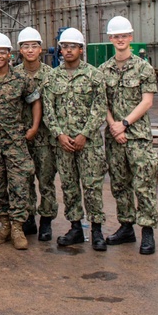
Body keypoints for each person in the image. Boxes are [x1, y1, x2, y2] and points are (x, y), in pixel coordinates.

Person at [43, 27, 108, 251]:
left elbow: (99, 108)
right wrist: (59, 134)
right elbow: (47, 109)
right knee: (69, 187)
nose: (68, 50)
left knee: (92, 186)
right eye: (64, 47)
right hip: (63, 144)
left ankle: (97, 229)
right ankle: (75, 228)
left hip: (88, 144)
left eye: (72, 47)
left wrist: (84, 134)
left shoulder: (94, 75)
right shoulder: (52, 77)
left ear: (81, 49)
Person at [0, 33, 40, 250]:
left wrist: (33, 128)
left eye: (3, 52)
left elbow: (34, 101)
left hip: (15, 141)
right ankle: (4, 225)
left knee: (19, 183)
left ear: (10, 54)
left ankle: (18, 227)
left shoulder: (21, 79)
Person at [101, 16, 158, 255]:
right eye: (116, 36)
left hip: (138, 137)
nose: (120, 40)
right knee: (120, 184)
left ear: (131, 38)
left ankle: (147, 231)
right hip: (115, 137)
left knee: (144, 185)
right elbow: (102, 102)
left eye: (124, 35)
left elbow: (147, 102)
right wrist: (114, 125)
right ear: (110, 39)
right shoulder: (104, 70)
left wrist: (124, 123)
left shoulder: (144, 68)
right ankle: (126, 227)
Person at [15, 27, 58, 242]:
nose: (30, 50)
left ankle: (47, 220)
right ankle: (29, 216)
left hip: (45, 137)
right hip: (21, 138)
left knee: (46, 180)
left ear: (40, 49)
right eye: (25, 46)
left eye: (34, 46)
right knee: (24, 180)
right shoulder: (14, 74)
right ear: (20, 50)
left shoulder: (51, 75)